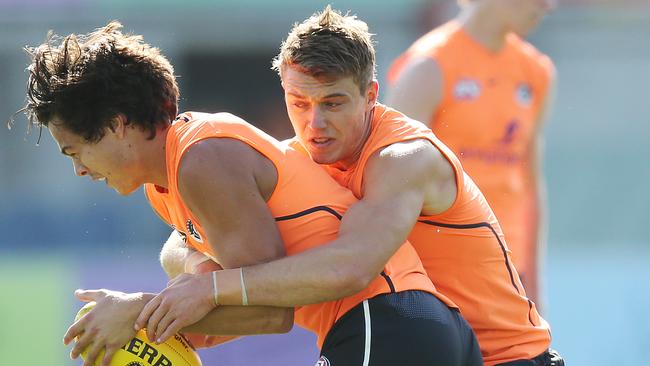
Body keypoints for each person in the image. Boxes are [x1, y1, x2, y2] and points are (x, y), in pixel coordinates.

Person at [21, 21, 482, 366]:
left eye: (76, 151)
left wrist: (139, 312)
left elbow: (269, 315)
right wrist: (183, 292)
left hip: (384, 323)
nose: (80, 170)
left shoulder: (201, 159)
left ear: (116, 125)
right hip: (408, 329)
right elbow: (226, 281)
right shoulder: (170, 182)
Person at [138, 6, 564, 366]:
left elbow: (350, 268)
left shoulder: (403, 158)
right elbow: (180, 243)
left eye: (334, 103)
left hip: (508, 355)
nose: (315, 124)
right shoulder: (294, 159)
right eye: (299, 103)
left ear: (371, 94)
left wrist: (210, 288)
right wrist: (201, 271)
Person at [386, 0, 557, 307]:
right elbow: (389, 183)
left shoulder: (537, 71)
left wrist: (534, 282)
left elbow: (530, 186)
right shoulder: (428, 66)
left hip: (506, 275)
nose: (548, 5)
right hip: (438, 277)